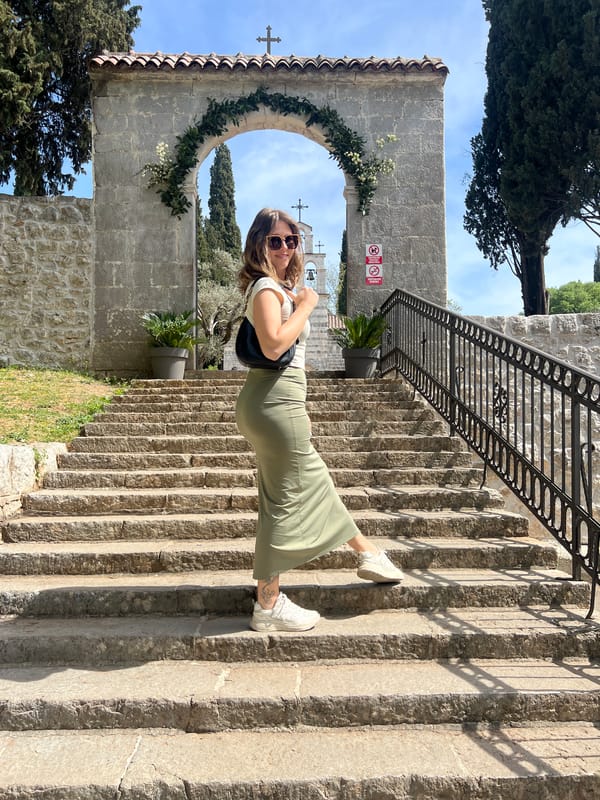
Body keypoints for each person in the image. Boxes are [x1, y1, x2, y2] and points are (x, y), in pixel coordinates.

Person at [235, 208, 404, 633]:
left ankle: (365, 553)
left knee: (304, 485)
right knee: (284, 501)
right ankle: (268, 604)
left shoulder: (277, 289)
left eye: (293, 241)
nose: (286, 248)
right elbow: (274, 346)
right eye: (275, 240)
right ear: (258, 244)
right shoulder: (266, 289)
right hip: (276, 403)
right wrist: (308, 304)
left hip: (276, 400)